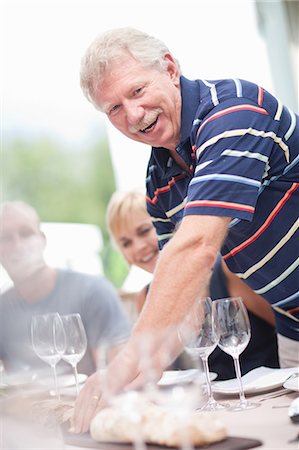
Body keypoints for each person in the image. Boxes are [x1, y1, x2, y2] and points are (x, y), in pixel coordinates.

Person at [74, 27, 299, 432]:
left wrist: (127, 363)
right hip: (292, 325)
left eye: (137, 91)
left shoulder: (234, 113)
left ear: (171, 69)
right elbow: (186, 294)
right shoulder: (156, 179)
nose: (134, 115)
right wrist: (144, 373)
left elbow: (196, 247)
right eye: (114, 109)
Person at [106, 189, 279, 380]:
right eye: (126, 243)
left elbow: (284, 328)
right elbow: (160, 374)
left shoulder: (227, 271)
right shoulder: (146, 298)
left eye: (144, 231)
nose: (139, 247)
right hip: (202, 405)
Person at [0, 201, 131, 376]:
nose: (17, 244)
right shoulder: (3, 311)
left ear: (42, 240)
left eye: (25, 233)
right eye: (5, 238)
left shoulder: (92, 291)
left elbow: (120, 374)